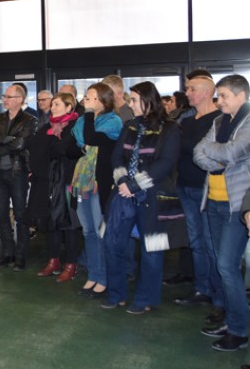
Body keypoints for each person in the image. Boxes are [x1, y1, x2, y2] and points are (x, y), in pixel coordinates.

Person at [102, 81, 180, 314]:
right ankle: (116, 294)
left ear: (148, 101)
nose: (130, 103)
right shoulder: (130, 125)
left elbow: (166, 163)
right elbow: (117, 158)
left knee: (151, 250)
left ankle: (145, 299)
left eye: (134, 100)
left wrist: (136, 185)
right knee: (111, 242)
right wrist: (124, 182)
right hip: (123, 192)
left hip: (154, 195)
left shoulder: (171, 128)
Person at [194, 75, 250, 351]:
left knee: (227, 265)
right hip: (213, 201)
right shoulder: (218, 122)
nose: (219, 101)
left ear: (241, 95)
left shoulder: (249, 121)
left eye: (224, 95)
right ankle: (231, 318)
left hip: (238, 206)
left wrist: (216, 154)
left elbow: (234, 151)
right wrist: (219, 156)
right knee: (220, 262)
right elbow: (197, 153)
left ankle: (240, 330)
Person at [172, 76, 220, 310]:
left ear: (206, 92)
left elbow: (203, 153)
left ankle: (217, 292)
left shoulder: (219, 121)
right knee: (196, 241)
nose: (187, 93)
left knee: (211, 243)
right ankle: (203, 288)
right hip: (185, 185)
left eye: (192, 89)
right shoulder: (188, 121)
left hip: (207, 189)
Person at [71, 83, 123, 297]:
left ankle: (103, 278)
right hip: (82, 182)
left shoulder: (113, 122)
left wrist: (90, 115)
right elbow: (73, 144)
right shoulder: (82, 121)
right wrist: (81, 143)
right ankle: (92, 275)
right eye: (86, 97)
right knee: (88, 232)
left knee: (101, 233)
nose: (85, 101)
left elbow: (91, 139)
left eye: (91, 98)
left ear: (103, 100)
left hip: (99, 182)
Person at [0, 84, 37, 270]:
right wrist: (8, 139)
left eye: (9, 96)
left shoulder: (30, 120)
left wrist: (0, 142)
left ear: (20, 100)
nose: (4, 99)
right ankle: (7, 253)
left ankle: (20, 256)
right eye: (4, 96)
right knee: (2, 214)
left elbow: (21, 143)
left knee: (21, 215)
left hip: (18, 173)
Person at [28, 93, 82, 282]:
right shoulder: (45, 128)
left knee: (69, 224)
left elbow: (67, 150)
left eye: (57, 104)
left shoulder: (76, 127)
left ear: (69, 107)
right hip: (46, 182)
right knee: (51, 222)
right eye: (52, 105)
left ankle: (71, 264)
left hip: (68, 182)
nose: (53, 108)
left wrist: (55, 149)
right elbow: (36, 150)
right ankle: (53, 260)